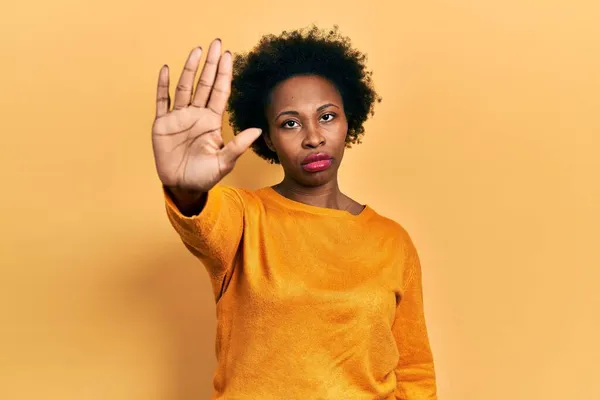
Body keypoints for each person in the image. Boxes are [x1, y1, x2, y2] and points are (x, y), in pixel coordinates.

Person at [152, 25, 437, 400]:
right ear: (269, 138)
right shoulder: (244, 217)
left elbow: (414, 372)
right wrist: (186, 187)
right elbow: (201, 221)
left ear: (348, 120)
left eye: (327, 116)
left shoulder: (392, 240)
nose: (313, 137)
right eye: (290, 123)